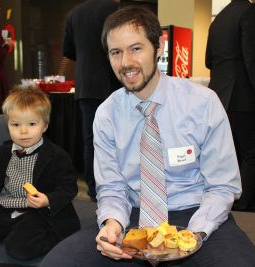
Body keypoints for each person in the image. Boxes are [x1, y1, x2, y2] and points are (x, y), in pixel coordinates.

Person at [39, 6, 255, 267]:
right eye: (116, 52)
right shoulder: (107, 114)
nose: (126, 62)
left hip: (195, 214)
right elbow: (112, 188)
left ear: (159, 46)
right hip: (133, 216)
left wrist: (193, 235)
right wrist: (111, 224)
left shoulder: (202, 103)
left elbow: (222, 186)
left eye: (136, 48)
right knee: (59, 262)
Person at [0, 87, 80, 260]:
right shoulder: (4, 151)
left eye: (32, 124)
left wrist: (47, 200)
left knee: (19, 249)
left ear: (45, 125)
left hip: (37, 211)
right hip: (5, 207)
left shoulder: (57, 155)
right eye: (16, 125)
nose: (23, 131)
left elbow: (68, 187)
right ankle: (13, 228)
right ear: (8, 125)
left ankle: (48, 235)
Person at [62, 0, 121, 202]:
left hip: (86, 84)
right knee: (120, 137)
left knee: (91, 141)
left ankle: (94, 190)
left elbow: (68, 50)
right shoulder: (114, 9)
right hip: (113, 82)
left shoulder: (74, 13)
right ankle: (119, 188)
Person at [205, 0, 255, 212]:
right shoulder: (249, 13)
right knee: (251, 152)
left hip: (218, 94)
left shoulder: (219, 19)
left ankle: (226, 202)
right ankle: (242, 204)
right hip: (243, 95)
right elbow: (251, 58)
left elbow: (208, 61)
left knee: (228, 153)